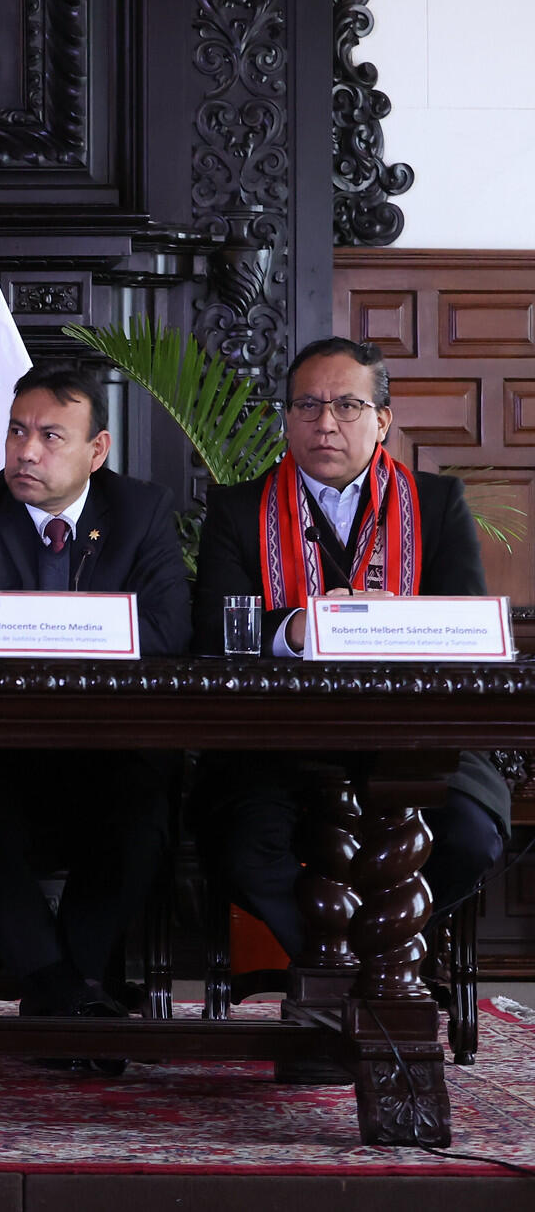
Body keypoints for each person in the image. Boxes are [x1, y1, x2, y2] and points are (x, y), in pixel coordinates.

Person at [194, 337, 506, 960]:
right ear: (286, 418)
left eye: (347, 406)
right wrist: (296, 629)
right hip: (275, 742)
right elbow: (211, 633)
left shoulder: (438, 505)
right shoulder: (238, 509)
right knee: (242, 849)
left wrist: (401, 624)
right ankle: (341, 973)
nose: (325, 423)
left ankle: (371, 968)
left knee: (470, 838)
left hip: (415, 737)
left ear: (383, 419)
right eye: (307, 406)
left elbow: (469, 633)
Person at [0, 363, 191, 1023]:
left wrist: (37, 628)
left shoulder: (141, 510)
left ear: (96, 451)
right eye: (16, 432)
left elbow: (166, 632)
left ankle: (58, 991)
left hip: (108, 749)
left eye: (50, 436)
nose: (26, 451)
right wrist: (90, 628)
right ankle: (67, 994)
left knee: (143, 809)